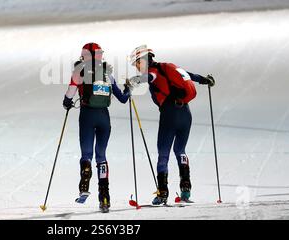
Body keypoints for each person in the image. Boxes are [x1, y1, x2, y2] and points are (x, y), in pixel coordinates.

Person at [128, 45, 215, 205]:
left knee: (163, 154)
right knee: (180, 150)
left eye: (137, 63)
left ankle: (162, 194)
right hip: (185, 113)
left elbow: (148, 78)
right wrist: (205, 80)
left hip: (169, 114)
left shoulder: (153, 71)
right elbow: (189, 75)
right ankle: (186, 189)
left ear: (145, 60)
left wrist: (133, 81)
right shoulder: (168, 68)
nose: (137, 67)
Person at [63, 43, 130, 212]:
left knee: (86, 154)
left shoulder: (79, 71)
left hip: (87, 115)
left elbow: (69, 94)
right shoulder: (107, 72)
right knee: (101, 156)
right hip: (104, 118)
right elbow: (122, 98)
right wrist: (128, 89)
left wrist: (67, 103)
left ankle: (84, 184)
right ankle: (105, 198)